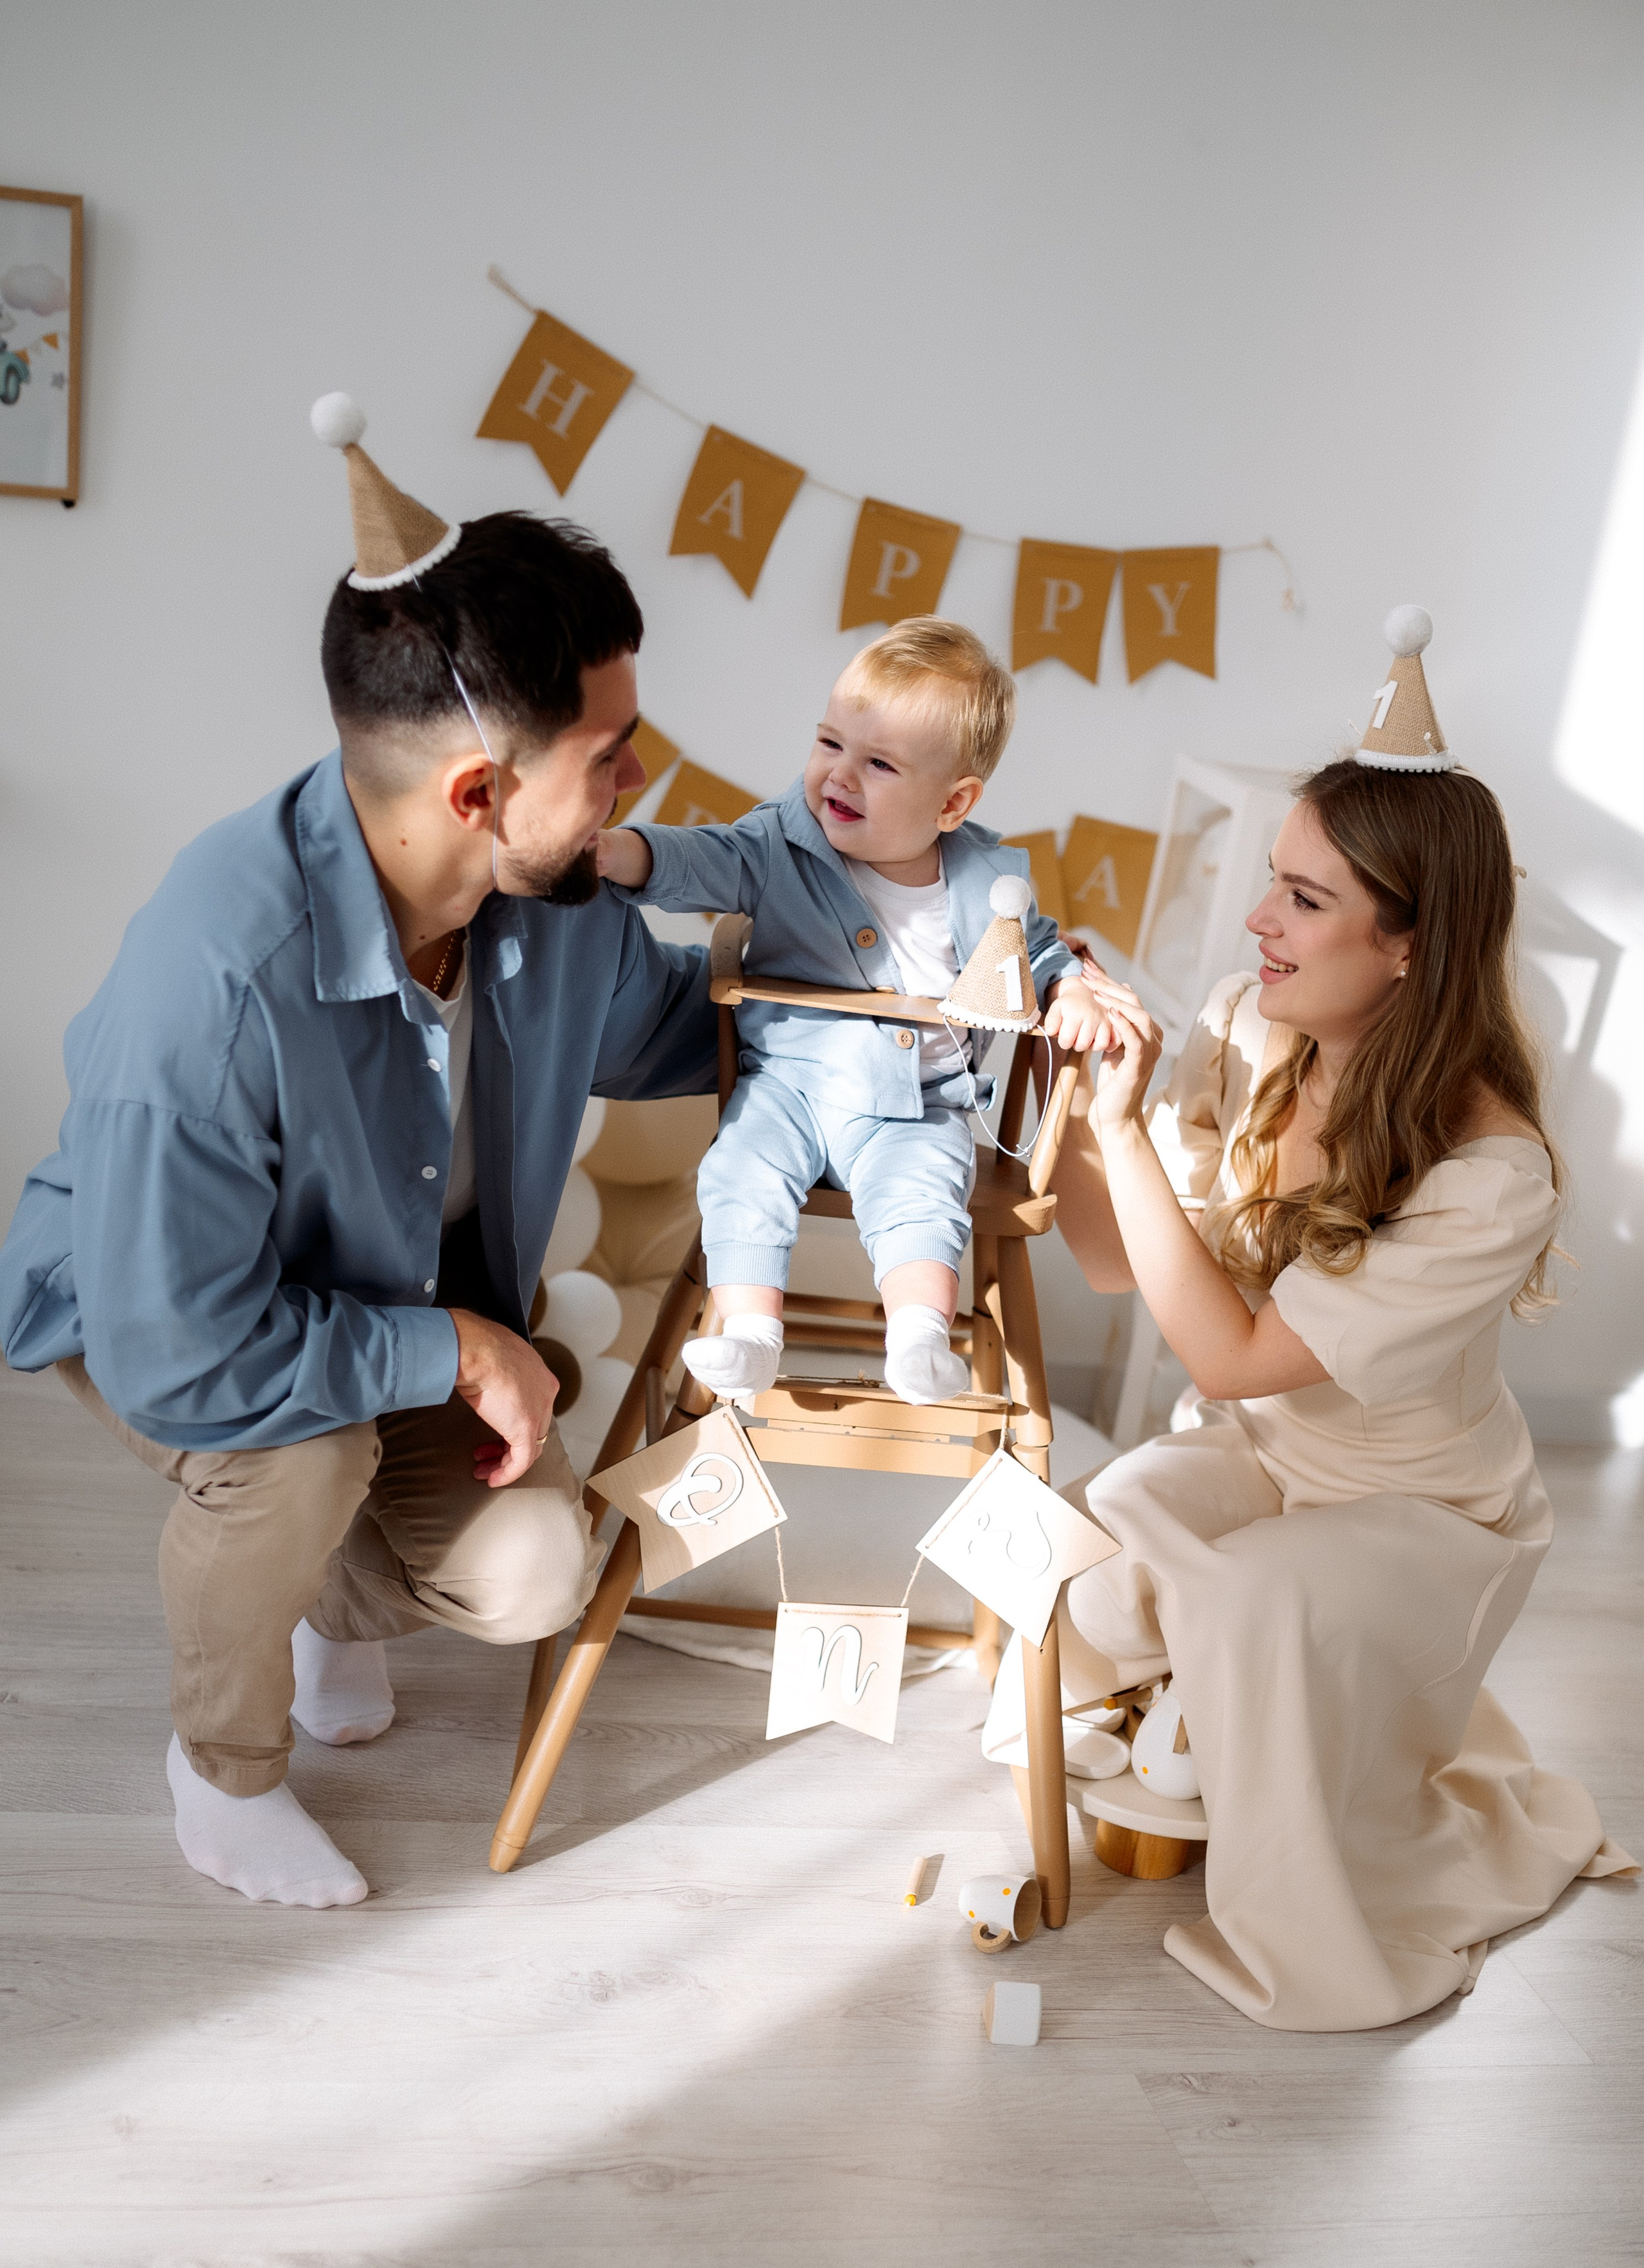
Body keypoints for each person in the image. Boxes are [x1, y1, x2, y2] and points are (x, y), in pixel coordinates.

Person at [0, 398, 718, 1910]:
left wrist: (909, 990)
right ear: (477, 794)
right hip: (161, 1309)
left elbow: (680, 1031)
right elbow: (185, 1352)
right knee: (298, 1458)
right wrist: (457, 1348)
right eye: (609, 758)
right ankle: (221, 1770)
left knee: (530, 1573)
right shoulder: (212, 980)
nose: (636, 785)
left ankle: (329, 1596)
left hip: (387, 1296)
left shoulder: (554, 903)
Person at [984, 607, 1634, 2030]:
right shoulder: (1252, 1027)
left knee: (1256, 1594)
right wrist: (1074, 1090)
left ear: (1407, 943)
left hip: (1422, 1512)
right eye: (1270, 884)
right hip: (1275, 1453)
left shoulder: (1491, 1172)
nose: (1255, 922)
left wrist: (1128, 1130)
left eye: (1300, 897)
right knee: (1104, 1523)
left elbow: (1228, 1354)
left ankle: (1315, 1899)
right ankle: (1192, 1727)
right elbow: (1112, 1260)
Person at [595, 619, 1105, 1406]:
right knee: (741, 1170)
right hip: (787, 1086)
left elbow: (1034, 952)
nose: (839, 775)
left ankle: (919, 1337)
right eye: (830, 743)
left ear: (952, 803)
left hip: (918, 1105)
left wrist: (1067, 989)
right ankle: (751, 1334)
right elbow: (703, 856)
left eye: (879, 763)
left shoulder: (984, 883)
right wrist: (619, 853)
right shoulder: (780, 844)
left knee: (924, 1196)